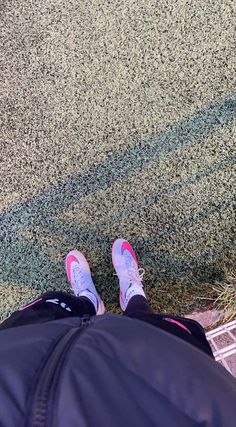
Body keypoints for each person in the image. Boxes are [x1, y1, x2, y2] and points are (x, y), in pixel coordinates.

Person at [0, 238, 235, 426]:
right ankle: (133, 297)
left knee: (50, 306)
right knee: (154, 329)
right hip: (165, 399)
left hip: (17, 366)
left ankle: (89, 300)